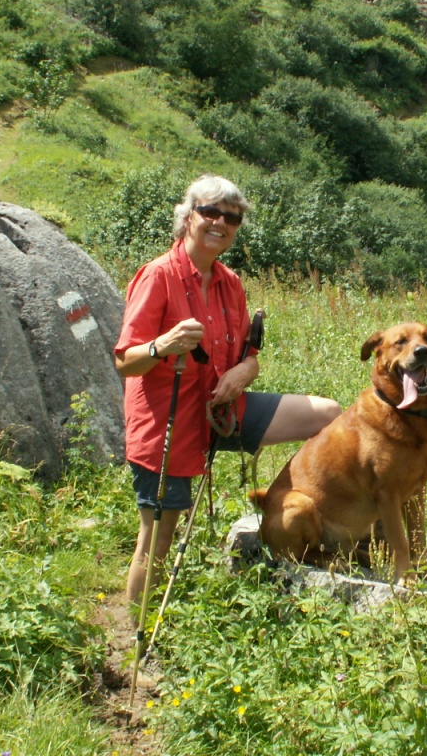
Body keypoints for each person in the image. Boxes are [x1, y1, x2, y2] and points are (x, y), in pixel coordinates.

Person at [114, 174, 341, 616]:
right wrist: (165, 344)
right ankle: (134, 632)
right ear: (188, 217)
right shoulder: (158, 276)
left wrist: (242, 371)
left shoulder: (229, 282)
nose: (220, 222)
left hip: (223, 410)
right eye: (210, 212)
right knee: (158, 536)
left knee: (328, 414)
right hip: (169, 420)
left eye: (231, 217)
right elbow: (126, 361)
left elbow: (250, 356)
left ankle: (297, 515)